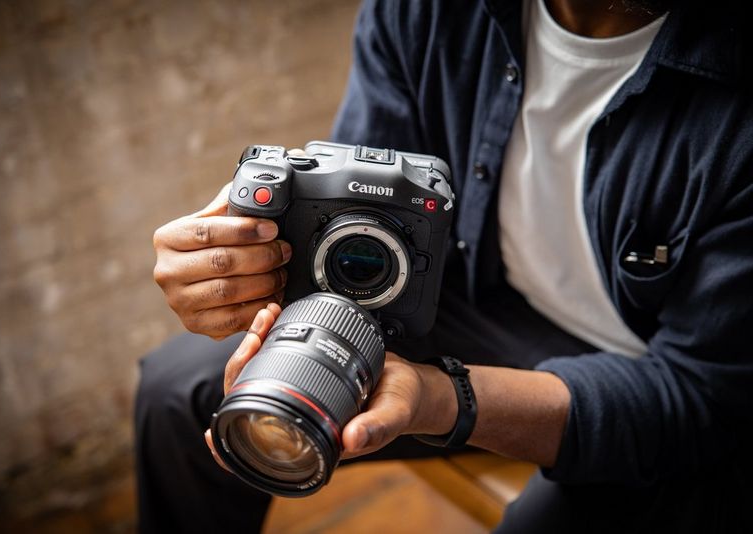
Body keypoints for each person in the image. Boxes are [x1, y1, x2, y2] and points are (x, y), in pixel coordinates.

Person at [136, 0, 753, 532]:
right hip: (478, 294)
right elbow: (365, 217)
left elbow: (707, 400)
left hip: (662, 378)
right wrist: (239, 267)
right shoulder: (429, 10)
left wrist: (444, 398)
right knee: (176, 392)